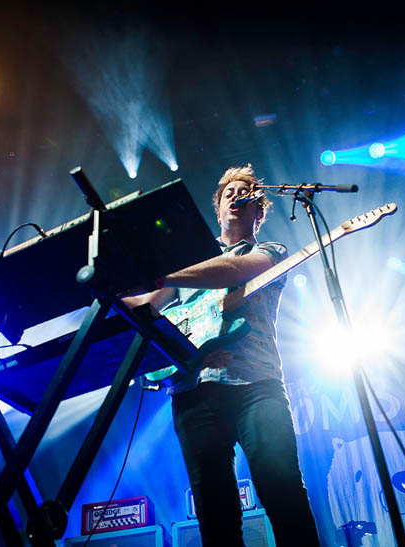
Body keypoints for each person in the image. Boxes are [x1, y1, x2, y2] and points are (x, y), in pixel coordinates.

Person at [123, 164, 321, 546]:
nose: (236, 197)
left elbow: (232, 271)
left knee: (283, 490)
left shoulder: (270, 251)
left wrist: (165, 276)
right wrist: (108, 282)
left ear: (258, 211)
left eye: (245, 193)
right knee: (214, 510)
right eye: (228, 192)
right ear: (217, 209)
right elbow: (146, 305)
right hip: (192, 389)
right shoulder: (187, 266)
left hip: (257, 384)